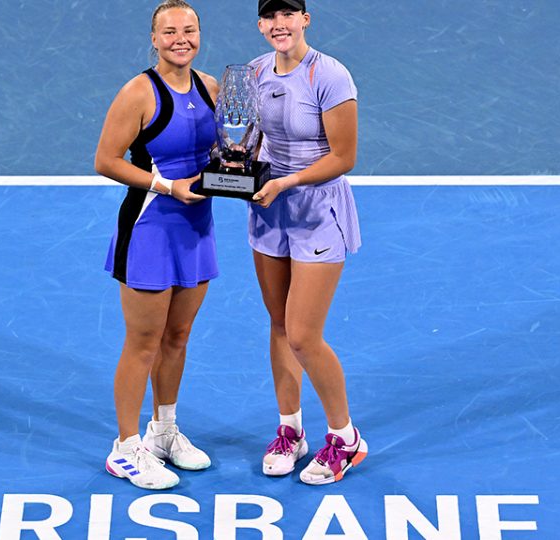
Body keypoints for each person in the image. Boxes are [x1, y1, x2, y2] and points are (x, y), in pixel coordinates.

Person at [93, 0, 219, 490]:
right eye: (170, 32)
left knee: (177, 337)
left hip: (197, 228)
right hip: (149, 228)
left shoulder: (212, 88)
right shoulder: (138, 92)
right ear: (154, 39)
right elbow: (106, 160)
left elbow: (225, 151)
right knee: (143, 343)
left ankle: (163, 432)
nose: (180, 39)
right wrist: (167, 186)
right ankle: (125, 449)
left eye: (189, 30)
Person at [247, 0, 368, 485]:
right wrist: (239, 169)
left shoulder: (330, 75)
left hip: (317, 211)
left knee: (302, 334)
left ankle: (345, 437)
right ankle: (290, 430)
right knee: (278, 324)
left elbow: (344, 156)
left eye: (288, 15)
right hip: (268, 210)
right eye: (270, 17)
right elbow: (248, 139)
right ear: (261, 25)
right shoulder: (253, 72)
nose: (280, 25)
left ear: (305, 20)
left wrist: (285, 181)